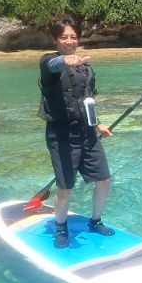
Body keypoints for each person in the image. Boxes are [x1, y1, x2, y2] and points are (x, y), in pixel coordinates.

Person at [38, 16, 115, 248]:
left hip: (87, 133)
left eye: (74, 37)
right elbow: (54, 66)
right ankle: (61, 228)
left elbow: (87, 99)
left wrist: (97, 123)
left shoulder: (85, 66)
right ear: (55, 39)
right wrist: (65, 60)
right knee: (65, 188)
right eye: (64, 37)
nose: (70, 41)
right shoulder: (48, 62)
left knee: (103, 179)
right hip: (62, 136)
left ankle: (95, 221)